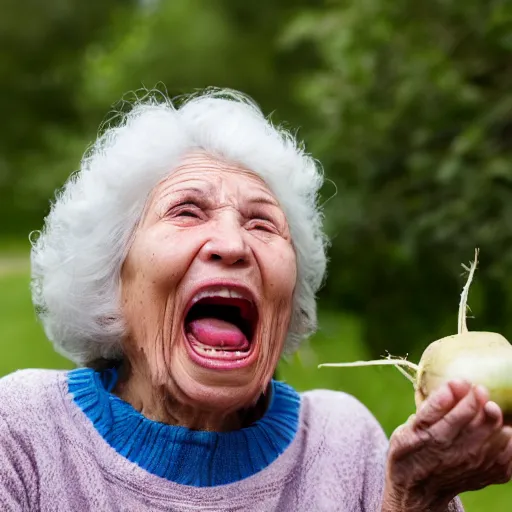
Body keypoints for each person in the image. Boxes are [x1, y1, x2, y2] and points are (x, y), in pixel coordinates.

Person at [0, 89, 510, 512]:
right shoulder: (23, 433)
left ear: (286, 302)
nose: (233, 244)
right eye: (187, 211)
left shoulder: (345, 443)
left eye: (262, 222)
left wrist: (415, 500)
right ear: (111, 286)